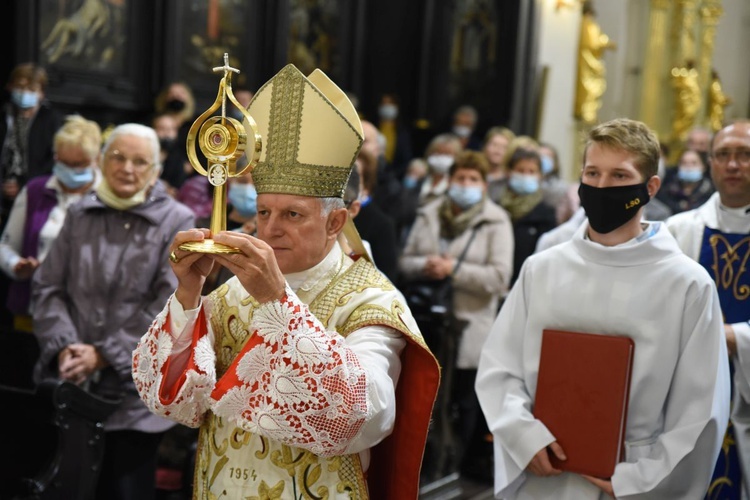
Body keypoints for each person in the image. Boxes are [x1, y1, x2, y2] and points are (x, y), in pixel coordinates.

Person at [132, 64, 439, 499]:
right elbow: (177, 403)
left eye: (291, 214)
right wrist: (188, 294)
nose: (270, 229)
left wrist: (278, 301)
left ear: (335, 221)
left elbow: (363, 419)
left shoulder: (369, 300)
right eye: (263, 212)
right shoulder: (234, 289)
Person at [477, 118, 729, 499]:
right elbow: (500, 367)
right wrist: (524, 437)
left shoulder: (687, 285)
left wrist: (639, 480)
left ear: (650, 187)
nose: (601, 187)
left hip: (632, 477)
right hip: (545, 472)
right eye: (592, 173)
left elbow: (701, 408)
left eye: (618, 175)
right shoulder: (542, 268)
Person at [32, 123, 195, 499]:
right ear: (102, 161)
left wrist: (103, 353)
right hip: (71, 384)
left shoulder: (178, 220)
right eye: (118, 157)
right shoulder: (80, 212)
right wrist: (66, 346)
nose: (127, 168)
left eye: (141, 162)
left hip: (133, 398)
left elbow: (167, 304)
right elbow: (48, 287)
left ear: (156, 170)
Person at [400, 150, 513, 480]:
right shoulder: (429, 213)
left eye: (473, 179)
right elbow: (404, 261)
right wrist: (427, 266)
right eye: (460, 178)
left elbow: (499, 278)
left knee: (460, 402)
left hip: (470, 328)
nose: (465, 184)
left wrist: (455, 270)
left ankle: (454, 469)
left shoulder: (496, 220)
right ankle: (422, 468)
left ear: (483, 184)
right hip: (428, 325)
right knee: (422, 400)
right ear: (450, 181)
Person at [666, 120, 750, 499]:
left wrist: (736, 337)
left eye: (745, 155)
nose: (733, 165)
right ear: (710, 162)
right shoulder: (676, 231)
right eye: (724, 155)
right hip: (687, 394)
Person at [0, 115, 102, 328]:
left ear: (96, 160)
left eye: (79, 164)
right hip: (33, 308)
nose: (71, 170)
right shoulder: (36, 190)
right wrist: (16, 265)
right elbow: (5, 245)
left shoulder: (107, 197)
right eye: (64, 162)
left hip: (86, 315)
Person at [0, 63, 63, 227]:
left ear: (41, 93)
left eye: (31, 89)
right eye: (20, 87)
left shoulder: (52, 120)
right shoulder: (4, 116)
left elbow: (55, 160)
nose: (24, 93)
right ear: (10, 86)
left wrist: (24, 184)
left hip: (35, 196)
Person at [497, 148, 557, 285]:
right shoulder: (497, 207)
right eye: (520, 170)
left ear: (540, 176)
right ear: (509, 172)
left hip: (525, 283)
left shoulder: (546, 213)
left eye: (531, 171)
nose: (525, 176)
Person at [656, 148, 714, 214]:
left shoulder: (711, 194)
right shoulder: (667, 191)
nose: (688, 167)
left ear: (703, 167)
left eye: (694, 163)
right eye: (684, 163)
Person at [419, 133, 464, 206]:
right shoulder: (419, 179)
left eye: (447, 154)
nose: (441, 158)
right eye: (438, 153)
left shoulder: (458, 185)